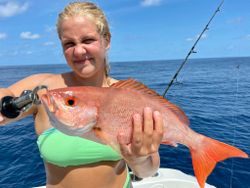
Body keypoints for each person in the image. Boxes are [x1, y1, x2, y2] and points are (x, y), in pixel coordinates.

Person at [0, 1, 163, 188]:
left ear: (106, 40)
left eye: (87, 40)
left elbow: (147, 172)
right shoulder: (47, 91)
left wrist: (139, 160)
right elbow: (7, 93)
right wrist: (6, 100)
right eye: (69, 43)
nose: (78, 51)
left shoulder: (128, 96)